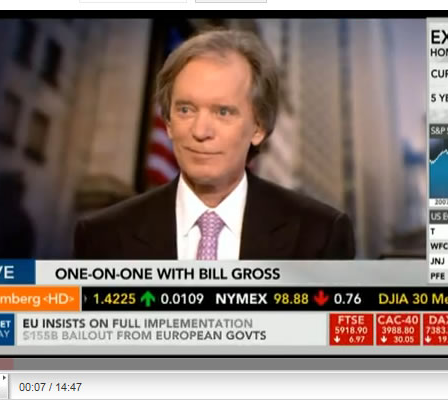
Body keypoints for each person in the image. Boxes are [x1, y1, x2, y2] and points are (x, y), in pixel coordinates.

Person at [74, 29, 355, 260]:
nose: (200, 131)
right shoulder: (102, 236)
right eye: (186, 110)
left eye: (223, 112)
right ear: (168, 122)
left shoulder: (320, 235)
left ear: (258, 128)